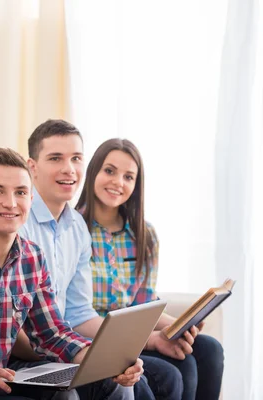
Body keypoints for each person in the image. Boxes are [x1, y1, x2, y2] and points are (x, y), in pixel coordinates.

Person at [0, 148, 143, 400]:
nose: (11, 203)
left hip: (6, 376)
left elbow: (51, 334)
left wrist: (108, 360)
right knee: (66, 397)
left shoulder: (33, 257)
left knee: (115, 383)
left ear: (31, 199)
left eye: (20, 192)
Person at [13, 120, 181, 400]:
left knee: (133, 378)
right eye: (56, 158)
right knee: (128, 383)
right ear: (32, 167)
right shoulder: (20, 223)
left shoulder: (76, 227)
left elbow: (79, 313)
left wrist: (97, 353)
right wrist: (78, 352)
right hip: (29, 353)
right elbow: (14, 328)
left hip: (61, 346)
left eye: (76, 158)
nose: (69, 169)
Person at [76, 138, 224, 400]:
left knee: (209, 349)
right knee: (180, 369)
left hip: (134, 333)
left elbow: (142, 304)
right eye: (109, 171)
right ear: (93, 172)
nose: (118, 182)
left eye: (128, 176)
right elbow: (76, 315)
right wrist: (155, 338)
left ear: (136, 185)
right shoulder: (74, 229)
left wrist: (180, 324)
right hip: (95, 339)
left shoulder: (145, 236)